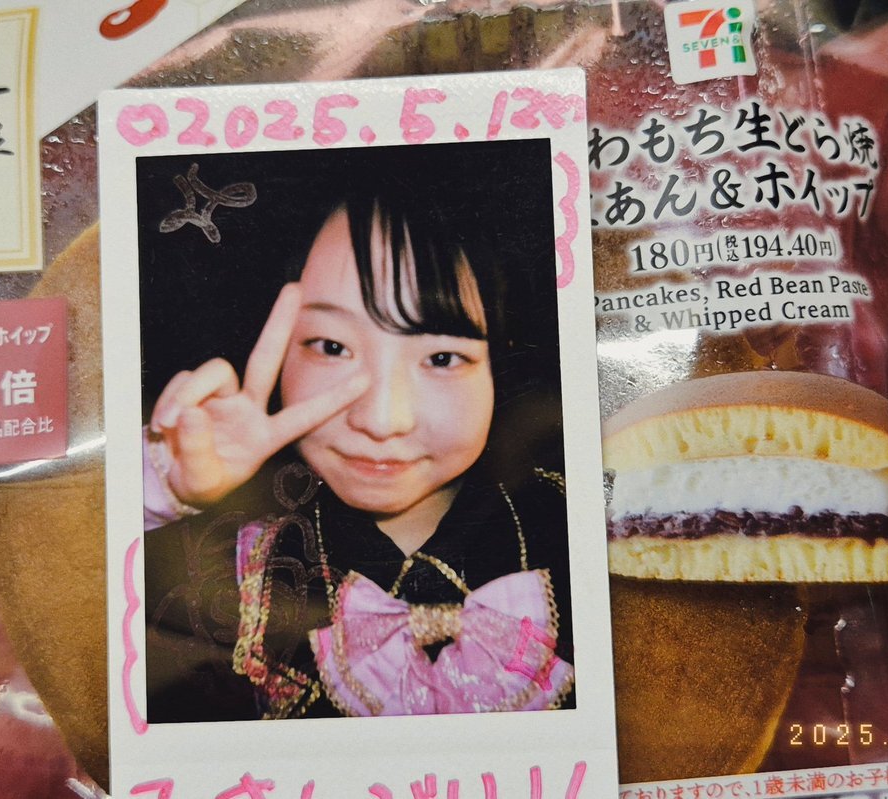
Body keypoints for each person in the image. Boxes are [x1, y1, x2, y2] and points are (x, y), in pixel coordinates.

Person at [141, 162, 573, 721]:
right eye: (332, 347)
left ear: (502, 366)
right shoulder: (222, 567)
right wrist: (162, 485)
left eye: (442, 357)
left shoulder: (584, 523)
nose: (382, 420)